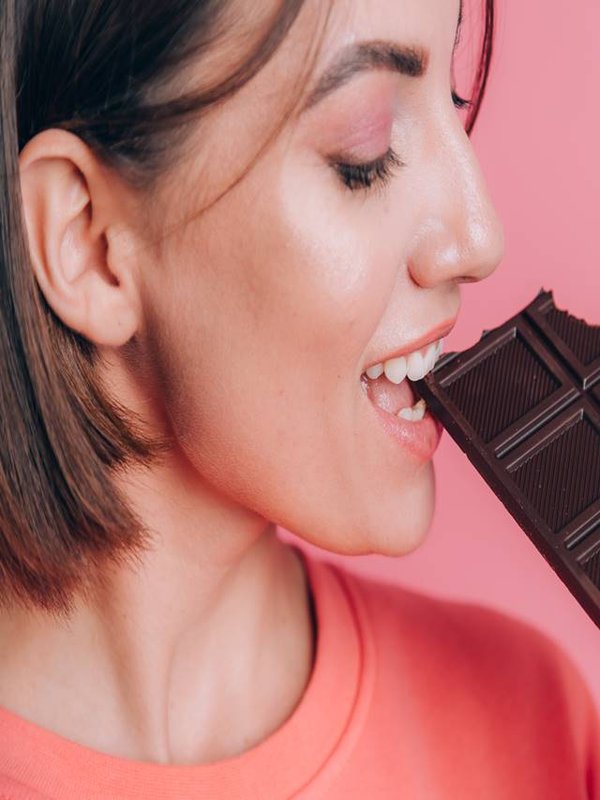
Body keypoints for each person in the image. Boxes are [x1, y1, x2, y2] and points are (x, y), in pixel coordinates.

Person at [0, 0, 598, 797]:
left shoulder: (534, 726)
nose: (479, 237)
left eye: (453, 101)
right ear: (90, 242)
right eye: (366, 154)